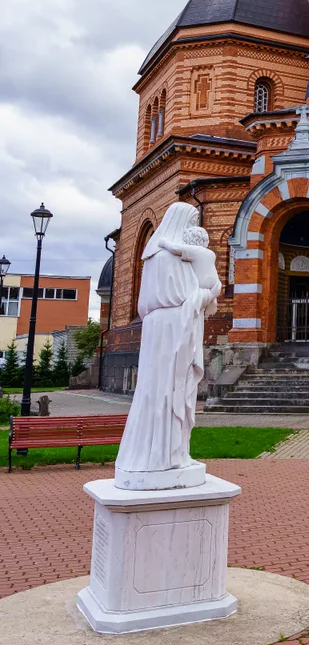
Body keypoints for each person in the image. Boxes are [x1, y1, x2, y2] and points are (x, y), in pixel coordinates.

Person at [115, 203, 222, 490]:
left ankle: (167, 454)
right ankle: (165, 456)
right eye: (193, 220)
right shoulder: (168, 259)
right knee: (167, 390)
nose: (196, 227)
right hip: (174, 330)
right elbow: (188, 296)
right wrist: (210, 292)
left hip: (161, 331)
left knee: (159, 390)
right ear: (181, 223)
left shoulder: (154, 256)